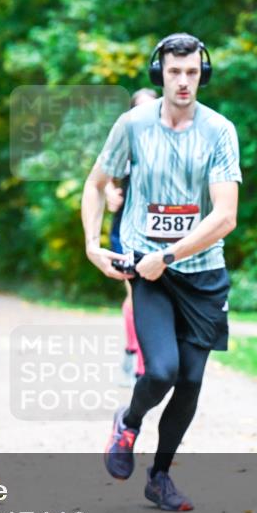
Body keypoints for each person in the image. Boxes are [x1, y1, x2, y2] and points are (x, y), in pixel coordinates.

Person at [82, 33, 241, 512]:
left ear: (202, 74)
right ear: (160, 74)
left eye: (192, 72)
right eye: (175, 72)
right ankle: (128, 421)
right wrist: (92, 244)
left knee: (191, 381)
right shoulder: (132, 125)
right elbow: (95, 183)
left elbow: (225, 216)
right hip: (145, 270)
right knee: (164, 370)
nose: (184, 81)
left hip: (202, 273)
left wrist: (169, 254)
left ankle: (160, 476)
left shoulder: (219, 131)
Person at [107, 88, 157, 384]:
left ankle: (135, 354)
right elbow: (100, 180)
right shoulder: (123, 143)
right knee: (137, 293)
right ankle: (138, 363)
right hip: (126, 230)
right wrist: (109, 192)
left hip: (162, 233)